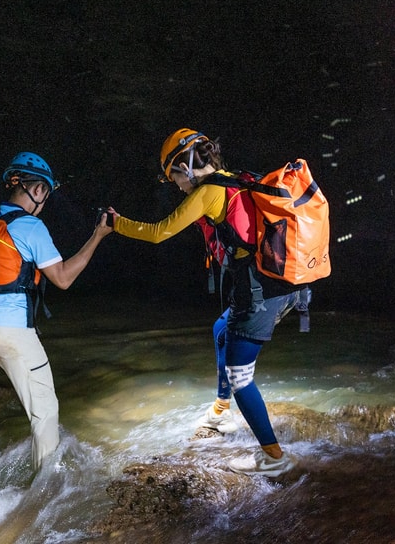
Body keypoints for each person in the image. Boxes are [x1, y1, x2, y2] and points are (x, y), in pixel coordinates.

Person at [106, 129, 306, 477]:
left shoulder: (208, 191)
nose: (176, 185)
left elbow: (158, 232)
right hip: (286, 283)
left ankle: (274, 458)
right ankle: (220, 411)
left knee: (240, 376)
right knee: (221, 329)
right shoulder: (235, 179)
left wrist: (116, 224)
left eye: (173, 177)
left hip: (261, 291)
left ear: (185, 166)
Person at [0, 152, 113, 469]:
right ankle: (47, 486)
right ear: (37, 190)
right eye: (46, 195)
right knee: (45, 412)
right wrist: (98, 236)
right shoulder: (31, 227)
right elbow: (63, 278)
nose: (44, 203)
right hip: (14, 333)